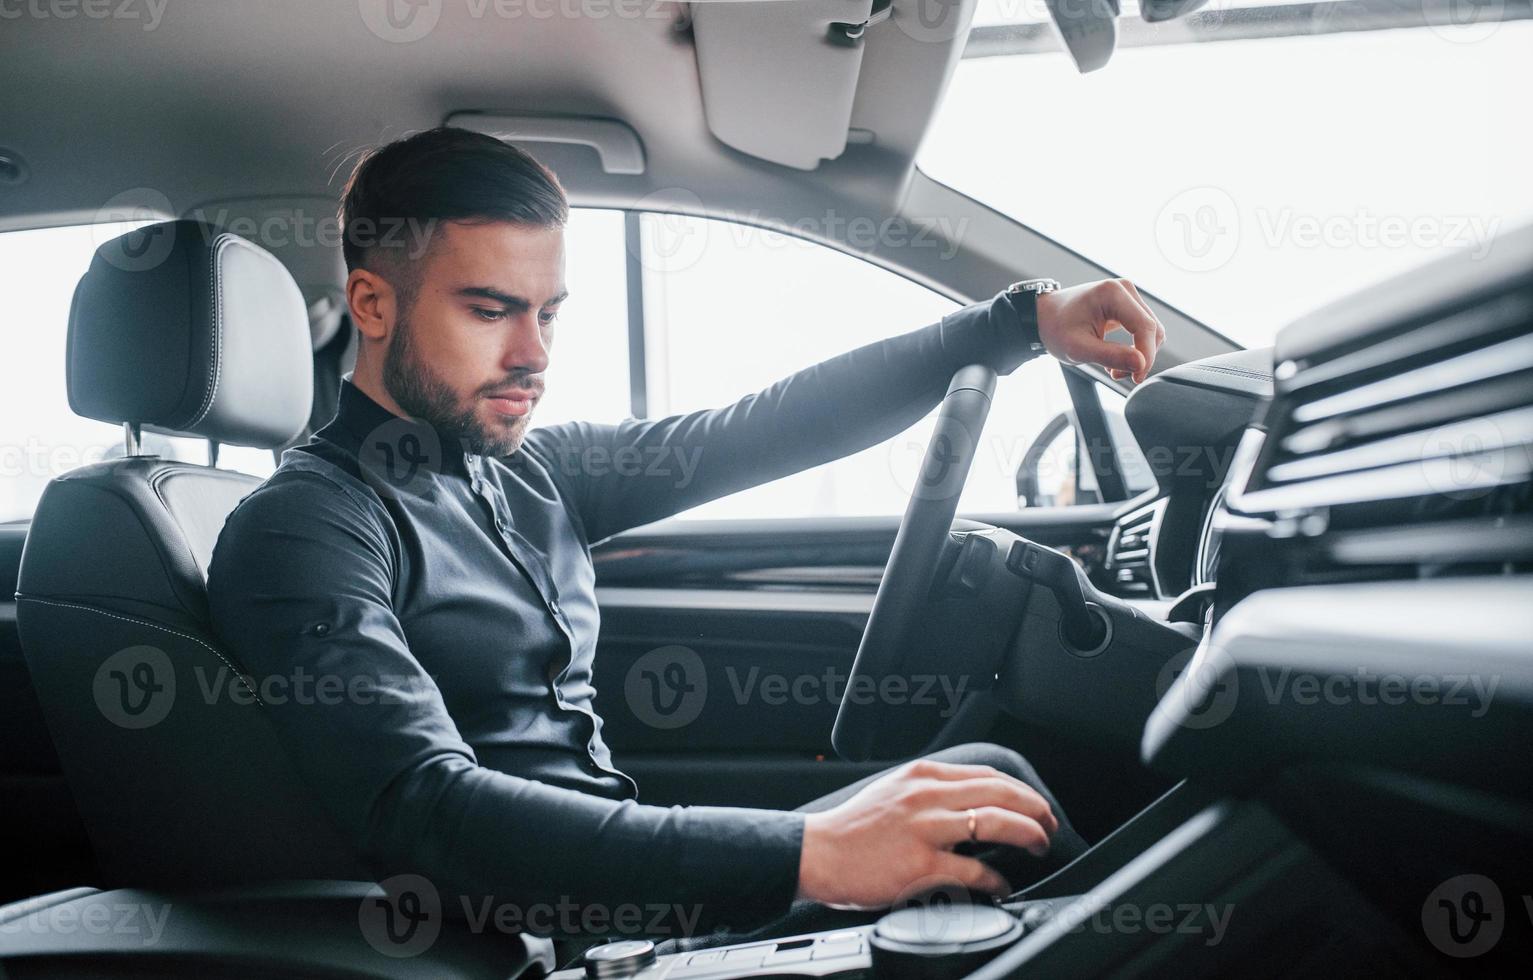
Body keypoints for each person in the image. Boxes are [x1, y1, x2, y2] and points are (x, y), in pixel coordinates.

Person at [205, 126, 1164, 944]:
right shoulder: (305, 527)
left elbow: (762, 426)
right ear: (373, 305)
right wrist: (812, 853)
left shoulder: (527, 470)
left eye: (547, 314)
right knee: (986, 823)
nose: (533, 354)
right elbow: (422, 809)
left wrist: (1017, 322)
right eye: (489, 310)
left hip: (623, 902)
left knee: (980, 792)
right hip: (545, 941)